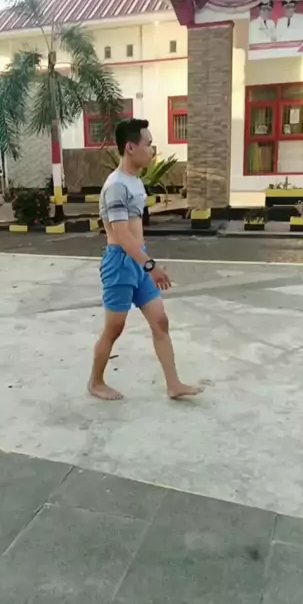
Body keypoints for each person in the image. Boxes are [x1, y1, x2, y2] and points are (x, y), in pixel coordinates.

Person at [88, 118, 202, 401]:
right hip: (121, 263)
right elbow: (121, 234)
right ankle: (95, 382)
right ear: (130, 147)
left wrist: (145, 263)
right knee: (114, 328)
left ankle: (174, 384)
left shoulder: (135, 181)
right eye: (148, 144)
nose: (152, 150)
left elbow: (135, 232)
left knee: (160, 322)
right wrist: (150, 266)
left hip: (139, 261)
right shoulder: (116, 185)